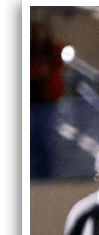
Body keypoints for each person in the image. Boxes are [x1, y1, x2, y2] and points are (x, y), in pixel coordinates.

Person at [30, 18, 67, 180]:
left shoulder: (53, 47)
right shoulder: (31, 47)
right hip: (32, 100)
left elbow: (62, 56)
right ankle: (34, 176)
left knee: (45, 140)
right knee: (33, 138)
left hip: (47, 101)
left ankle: (47, 177)